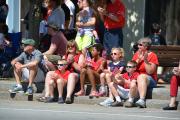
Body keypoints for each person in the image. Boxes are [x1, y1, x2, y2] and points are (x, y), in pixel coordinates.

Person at [126, 37, 159, 108]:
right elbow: (131, 68)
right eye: (138, 44)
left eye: (140, 45)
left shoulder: (153, 55)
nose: (138, 46)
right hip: (137, 77)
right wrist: (138, 59)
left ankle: (142, 100)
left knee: (141, 76)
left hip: (150, 80)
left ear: (146, 46)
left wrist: (145, 60)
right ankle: (129, 100)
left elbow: (150, 72)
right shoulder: (136, 54)